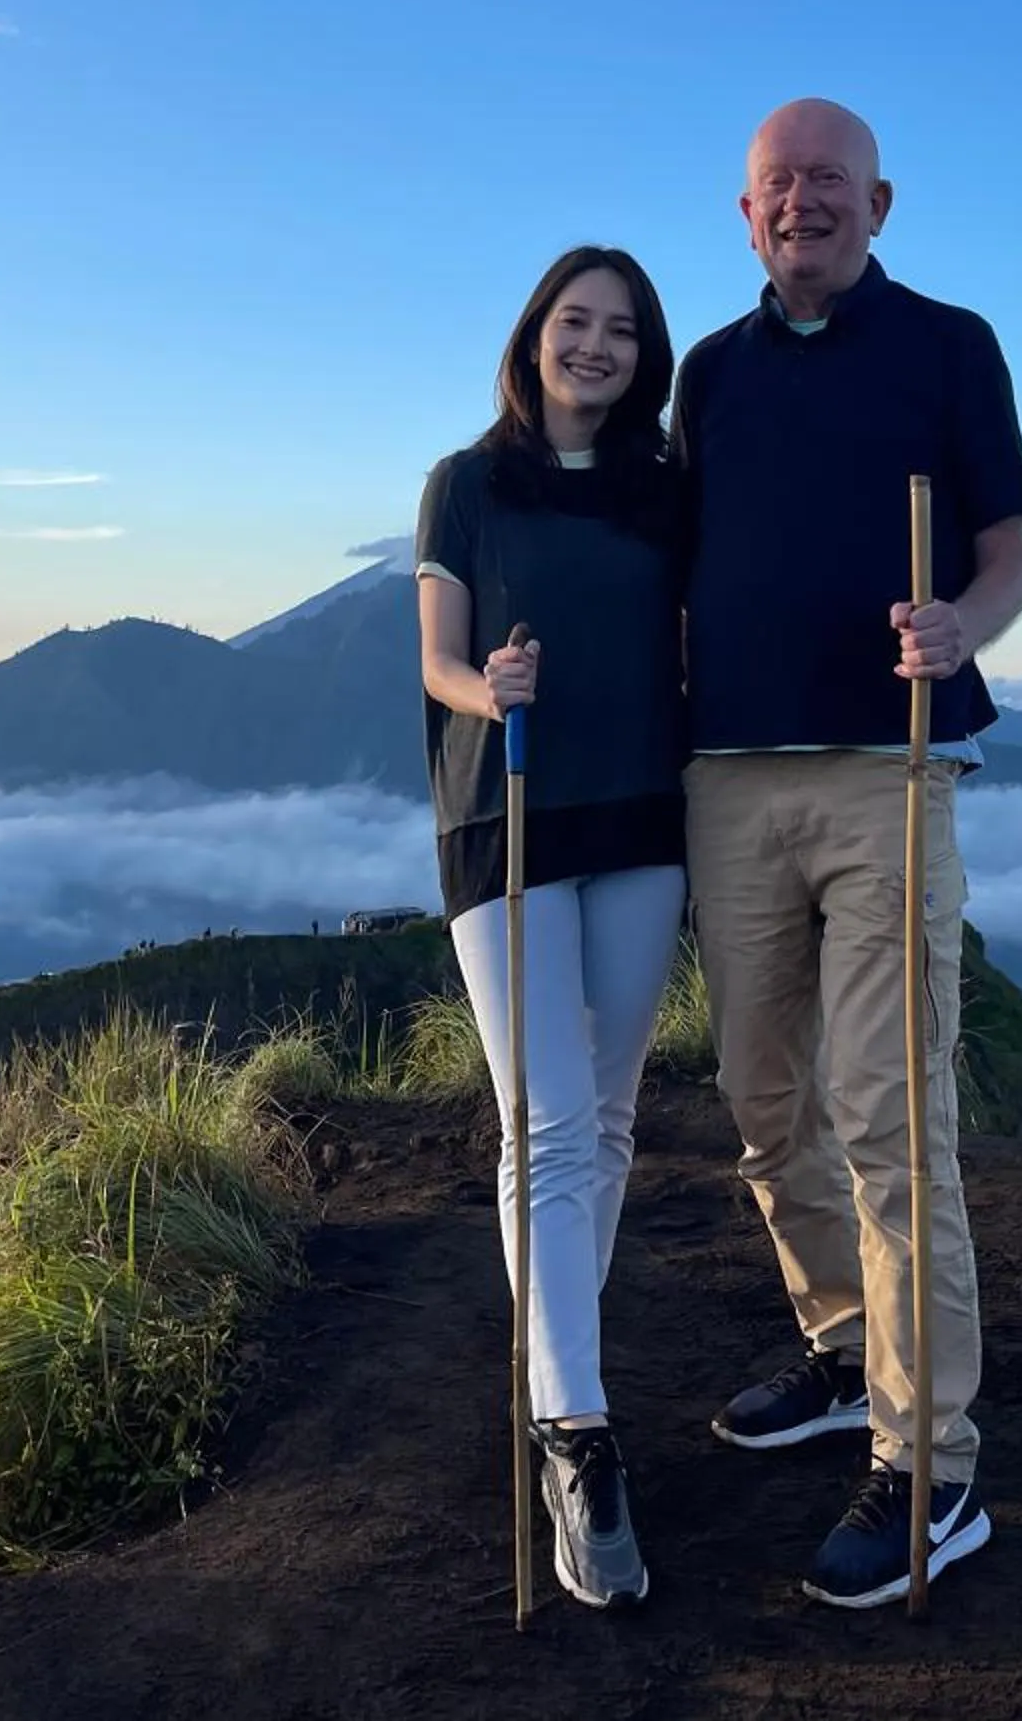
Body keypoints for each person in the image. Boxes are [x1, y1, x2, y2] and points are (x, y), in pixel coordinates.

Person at [673, 96, 1022, 1610]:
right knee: (765, 1099)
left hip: (890, 770)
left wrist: (967, 622)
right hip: (730, 777)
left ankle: (931, 1461)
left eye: (830, 181)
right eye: (779, 185)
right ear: (745, 215)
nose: (804, 202)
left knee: (893, 1118)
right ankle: (844, 1346)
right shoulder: (706, 373)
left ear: (879, 204)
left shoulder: (951, 345)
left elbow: (1010, 548)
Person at [413, 243, 691, 1612]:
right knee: (551, 1122)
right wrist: (490, 685)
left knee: (613, 1114)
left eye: (621, 332)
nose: (594, 346)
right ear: (531, 338)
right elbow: (438, 657)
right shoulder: (465, 484)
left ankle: (550, 1362)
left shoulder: (660, 491)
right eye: (574, 323)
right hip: (507, 817)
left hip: (643, 817)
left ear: (646, 358)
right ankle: (578, 1427)